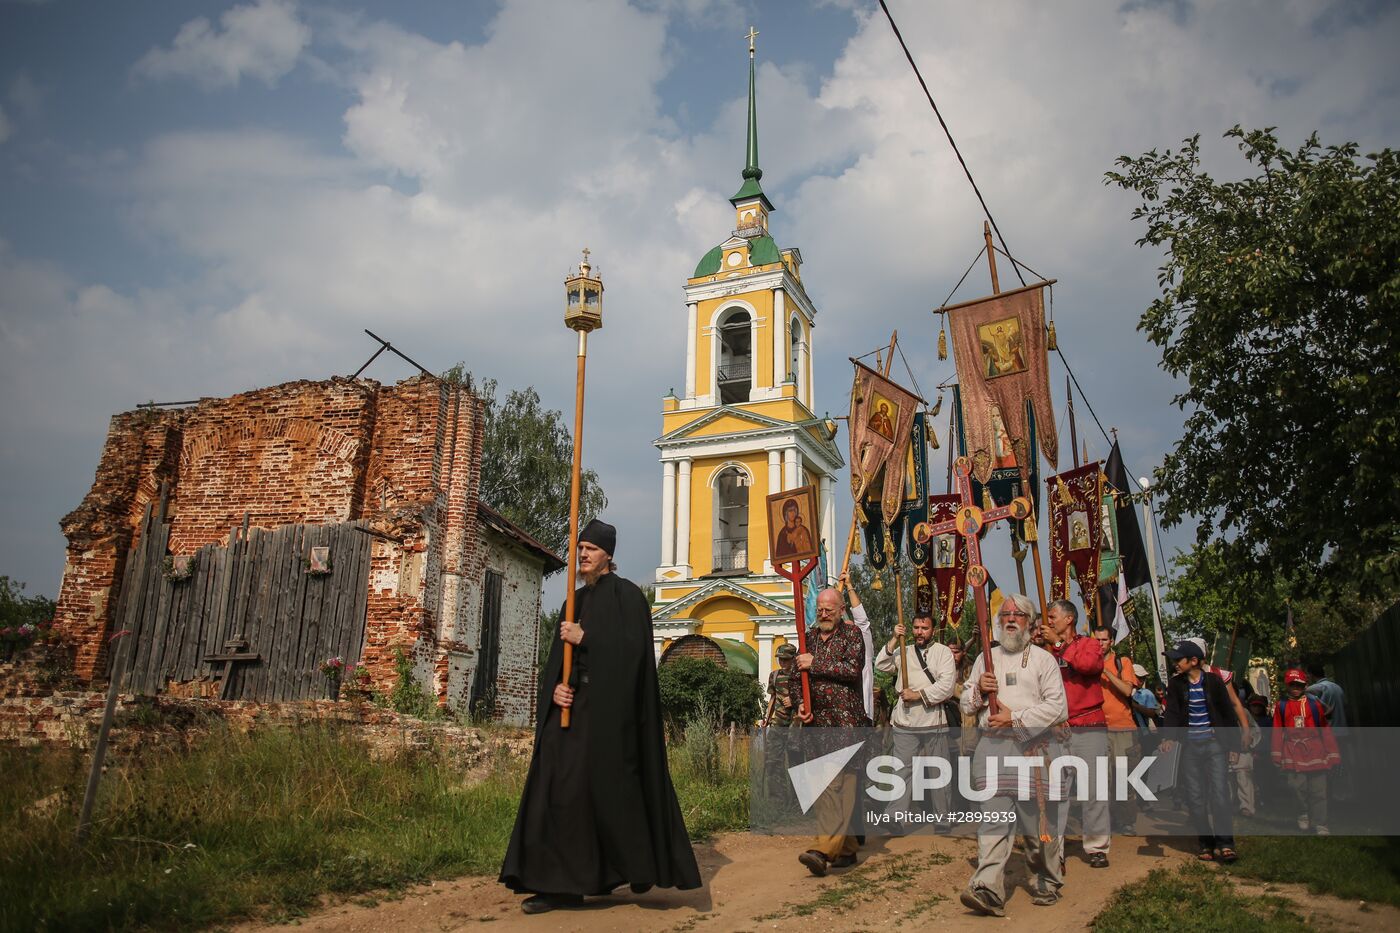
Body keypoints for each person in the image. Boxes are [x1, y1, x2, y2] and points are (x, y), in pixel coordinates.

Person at [500, 520, 701, 913]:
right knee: (557, 786)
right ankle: (560, 883)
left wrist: (586, 639)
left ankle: (623, 868)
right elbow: (559, 661)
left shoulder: (629, 598)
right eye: (580, 549)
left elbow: (635, 658)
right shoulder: (573, 601)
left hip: (611, 717)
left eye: (591, 549)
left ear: (608, 554)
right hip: (573, 712)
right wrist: (558, 687)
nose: (584, 555)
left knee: (609, 793)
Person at [959, 595, 1069, 916]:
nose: (1010, 619)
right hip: (992, 748)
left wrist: (1016, 718)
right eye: (1005, 614)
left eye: (1018, 615)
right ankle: (988, 888)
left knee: (1037, 830)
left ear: (1030, 622)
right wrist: (978, 687)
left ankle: (1046, 879)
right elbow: (966, 703)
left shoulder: (1043, 660)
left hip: (1033, 749)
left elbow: (1057, 707)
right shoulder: (986, 658)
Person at [793, 587, 870, 877]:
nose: (823, 614)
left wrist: (816, 663)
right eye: (820, 609)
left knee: (838, 786)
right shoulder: (808, 639)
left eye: (829, 609)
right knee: (822, 787)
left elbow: (853, 669)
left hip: (845, 724)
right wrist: (801, 704)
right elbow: (793, 679)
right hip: (816, 725)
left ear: (841, 610)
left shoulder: (852, 636)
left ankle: (823, 850)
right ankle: (847, 848)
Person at [1159, 639, 1250, 864]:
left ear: (1194, 661)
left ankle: (1226, 843)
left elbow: (1227, 714)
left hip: (1215, 745)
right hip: (1191, 747)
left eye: (1177, 660)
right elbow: (1172, 712)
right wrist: (1168, 737)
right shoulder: (1176, 685)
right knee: (1195, 796)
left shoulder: (1214, 682)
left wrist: (1234, 746)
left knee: (1219, 794)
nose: (1174, 664)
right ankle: (1205, 842)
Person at [1042, 601, 1111, 869]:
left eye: (1053, 616)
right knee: (1056, 791)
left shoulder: (1089, 644)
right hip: (1057, 728)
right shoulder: (1044, 649)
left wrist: (1059, 646)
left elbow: (1089, 666)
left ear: (1069, 619)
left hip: (1088, 725)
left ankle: (1096, 846)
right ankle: (1054, 849)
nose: (1049, 621)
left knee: (1094, 789)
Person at [874, 613, 957, 832]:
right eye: (916, 628)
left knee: (938, 771)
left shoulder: (943, 653)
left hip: (933, 720)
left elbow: (947, 686)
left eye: (924, 628)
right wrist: (893, 638)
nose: (919, 632)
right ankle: (895, 818)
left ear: (933, 631)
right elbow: (881, 665)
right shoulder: (904, 650)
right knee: (902, 771)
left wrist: (918, 695)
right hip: (905, 722)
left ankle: (943, 818)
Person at [1272, 668, 1341, 835]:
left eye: (1299, 684)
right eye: (1292, 684)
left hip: (1316, 750)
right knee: (1296, 787)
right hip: (1293, 751)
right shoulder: (1281, 705)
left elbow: (1324, 728)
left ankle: (1320, 823)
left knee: (1319, 790)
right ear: (1287, 685)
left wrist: (1333, 753)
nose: (1296, 687)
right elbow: (1277, 730)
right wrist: (1276, 753)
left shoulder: (1314, 704)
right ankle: (1303, 813)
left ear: (1305, 685)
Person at [1094, 627, 1142, 828]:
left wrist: (1105, 671)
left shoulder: (1122, 662)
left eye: (1104, 640)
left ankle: (1126, 821)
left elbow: (1127, 690)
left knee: (1123, 778)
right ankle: (1106, 820)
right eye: (1097, 640)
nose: (1100, 643)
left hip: (1123, 728)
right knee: (1102, 779)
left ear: (1111, 641)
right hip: (1098, 729)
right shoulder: (1088, 664)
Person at [1306, 663, 1350, 800]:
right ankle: (1342, 792)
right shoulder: (1338, 687)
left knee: (1327, 762)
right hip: (1342, 730)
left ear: (1311, 675)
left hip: (1328, 731)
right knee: (1341, 763)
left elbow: (1309, 699)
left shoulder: (1315, 689)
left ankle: (1329, 792)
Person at [841, 574, 876, 722]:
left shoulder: (864, 650)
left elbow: (862, 621)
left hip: (862, 714)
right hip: (839, 715)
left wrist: (849, 586)